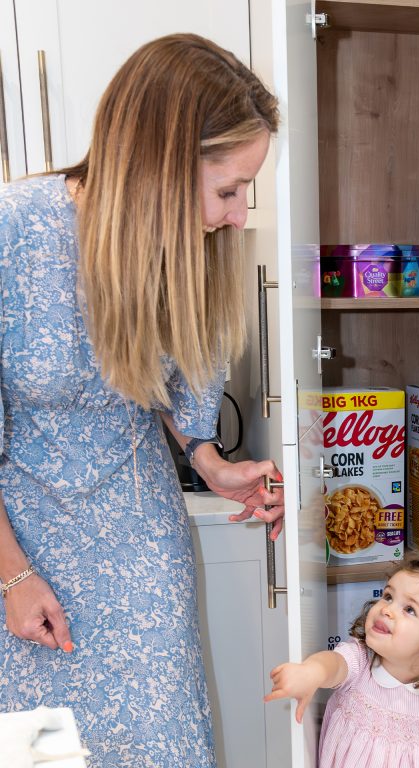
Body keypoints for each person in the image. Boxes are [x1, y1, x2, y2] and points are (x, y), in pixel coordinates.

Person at [0, 33, 283, 767]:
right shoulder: (14, 231)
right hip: (19, 553)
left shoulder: (182, 247)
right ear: (158, 167)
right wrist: (13, 576)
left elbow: (168, 388)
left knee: (166, 749)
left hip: (139, 550)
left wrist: (210, 460)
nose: (238, 214)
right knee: (43, 754)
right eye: (228, 189)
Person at [266, 559, 419, 768]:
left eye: (409, 609)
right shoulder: (361, 662)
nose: (387, 609)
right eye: (388, 596)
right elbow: (334, 664)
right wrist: (311, 672)